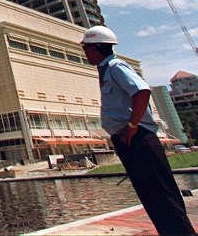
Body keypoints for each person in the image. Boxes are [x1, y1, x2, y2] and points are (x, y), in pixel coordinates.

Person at [82, 25, 195, 235]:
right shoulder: (106, 70)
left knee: (162, 195)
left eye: (86, 48)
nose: (85, 53)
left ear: (96, 48)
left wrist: (132, 125)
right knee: (151, 196)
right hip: (129, 139)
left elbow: (142, 91)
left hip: (138, 139)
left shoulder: (115, 66)